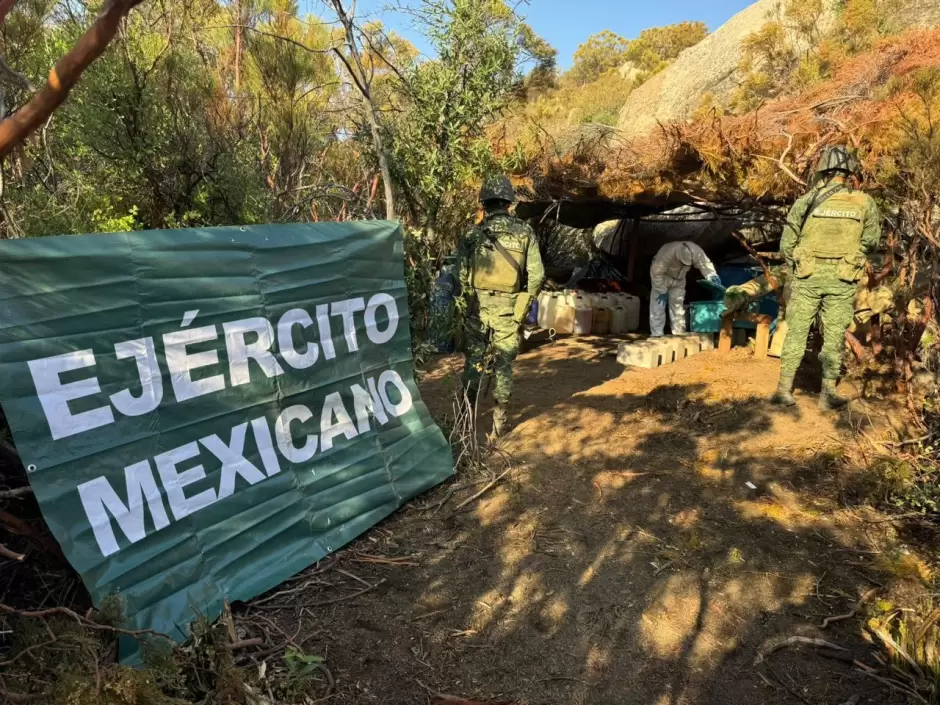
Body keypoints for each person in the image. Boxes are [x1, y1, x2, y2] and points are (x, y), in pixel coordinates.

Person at [771, 146, 883, 410]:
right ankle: (827, 395)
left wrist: (800, 267)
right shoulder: (864, 202)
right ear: (851, 172)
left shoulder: (806, 201)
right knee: (834, 335)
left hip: (807, 277)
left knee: (797, 331)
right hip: (843, 279)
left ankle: (784, 391)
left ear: (822, 169)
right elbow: (871, 242)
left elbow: (786, 245)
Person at [459, 175, 545, 438]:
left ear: (484, 202)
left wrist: (466, 307)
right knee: (503, 366)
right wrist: (520, 310)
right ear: (509, 202)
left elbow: (461, 275)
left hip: (478, 309)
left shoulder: (473, 234)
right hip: (509, 310)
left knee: (473, 362)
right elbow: (537, 276)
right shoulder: (525, 232)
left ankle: (465, 422)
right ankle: (499, 425)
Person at [649, 241, 720, 337]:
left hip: (679, 279)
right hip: (663, 278)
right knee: (658, 307)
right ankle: (657, 335)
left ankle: (679, 333)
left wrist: (711, 275)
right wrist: (660, 290)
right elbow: (656, 273)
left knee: (678, 306)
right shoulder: (667, 253)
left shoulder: (696, 251)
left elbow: (705, 264)